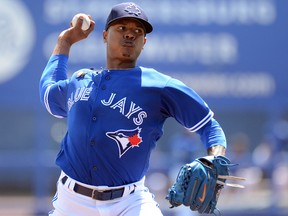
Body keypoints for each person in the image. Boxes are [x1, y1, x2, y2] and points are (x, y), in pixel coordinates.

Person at [39, 2, 227, 216]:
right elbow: (48, 95)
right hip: (72, 202)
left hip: (129, 203)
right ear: (104, 36)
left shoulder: (158, 85)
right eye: (121, 28)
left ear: (143, 42)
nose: (130, 35)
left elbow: (210, 127)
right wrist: (65, 41)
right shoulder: (80, 81)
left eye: (137, 31)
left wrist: (213, 160)